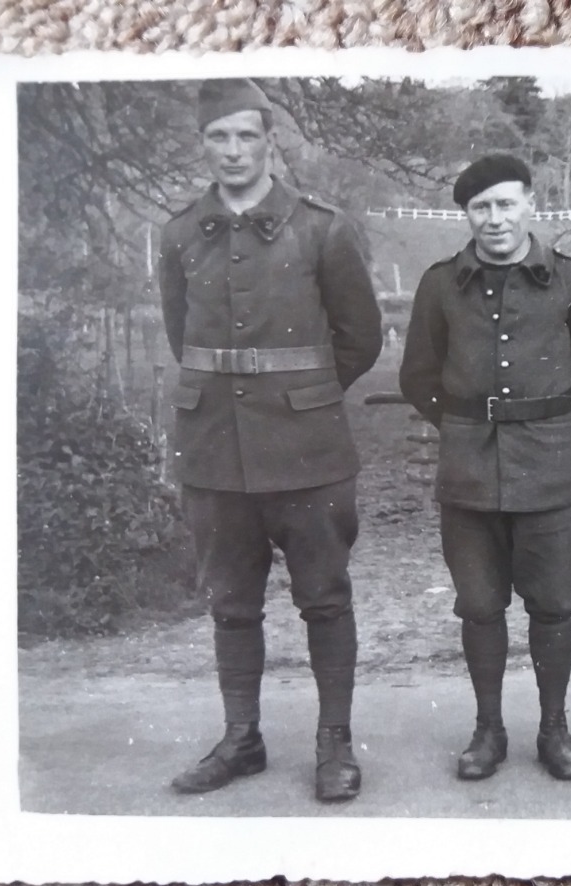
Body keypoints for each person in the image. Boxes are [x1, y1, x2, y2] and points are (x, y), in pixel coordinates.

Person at [158, 78, 383, 802]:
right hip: (215, 451)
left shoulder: (323, 228)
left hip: (308, 450)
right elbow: (178, 331)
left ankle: (335, 744)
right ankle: (241, 738)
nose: (232, 150)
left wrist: (305, 394)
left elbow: (361, 337)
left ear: (269, 141)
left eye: (245, 135)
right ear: (204, 145)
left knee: (324, 597)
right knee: (231, 603)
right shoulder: (181, 231)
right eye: (218, 137)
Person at [400, 154, 571, 782]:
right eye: (480, 207)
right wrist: (466, 425)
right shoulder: (441, 284)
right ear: (466, 215)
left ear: (530, 204)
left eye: (505, 204)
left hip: (552, 473)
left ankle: (554, 729)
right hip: (468, 474)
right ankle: (488, 730)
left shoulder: (570, 279)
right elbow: (418, 375)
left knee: (552, 604)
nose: (494, 219)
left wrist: (561, 426)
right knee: (478, 604)